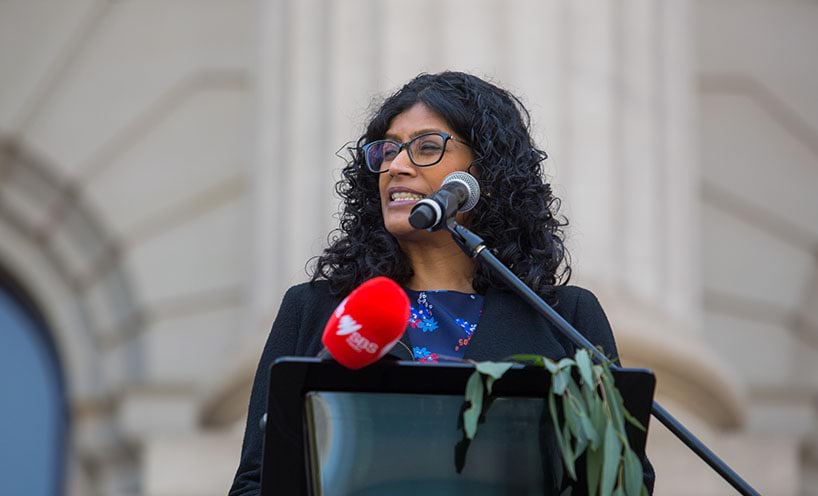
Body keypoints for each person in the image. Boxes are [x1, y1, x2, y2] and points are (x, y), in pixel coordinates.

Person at [229, 71, 654, 494]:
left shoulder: (565, 317)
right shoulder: (317, 308)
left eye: (426, 147)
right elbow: (255, 483)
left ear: (485, 174)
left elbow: (619, 482)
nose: (396, 166)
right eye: (388, 150)